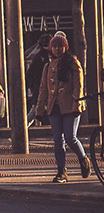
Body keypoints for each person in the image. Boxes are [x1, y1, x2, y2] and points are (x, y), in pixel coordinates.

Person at [33, 31, 90, 183]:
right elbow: (43, 89)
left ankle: (83, 159)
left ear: (66, 47)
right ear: (51, 48)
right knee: (58, 139)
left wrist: (77, 102)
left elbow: (79, 85)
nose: (57, 49)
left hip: (70, 106)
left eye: (60, 46)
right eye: (55, 46)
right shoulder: (47, 66)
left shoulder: (73, 63)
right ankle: (61, 171)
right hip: (54, 108)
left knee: (70, 138)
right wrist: (39, 109)